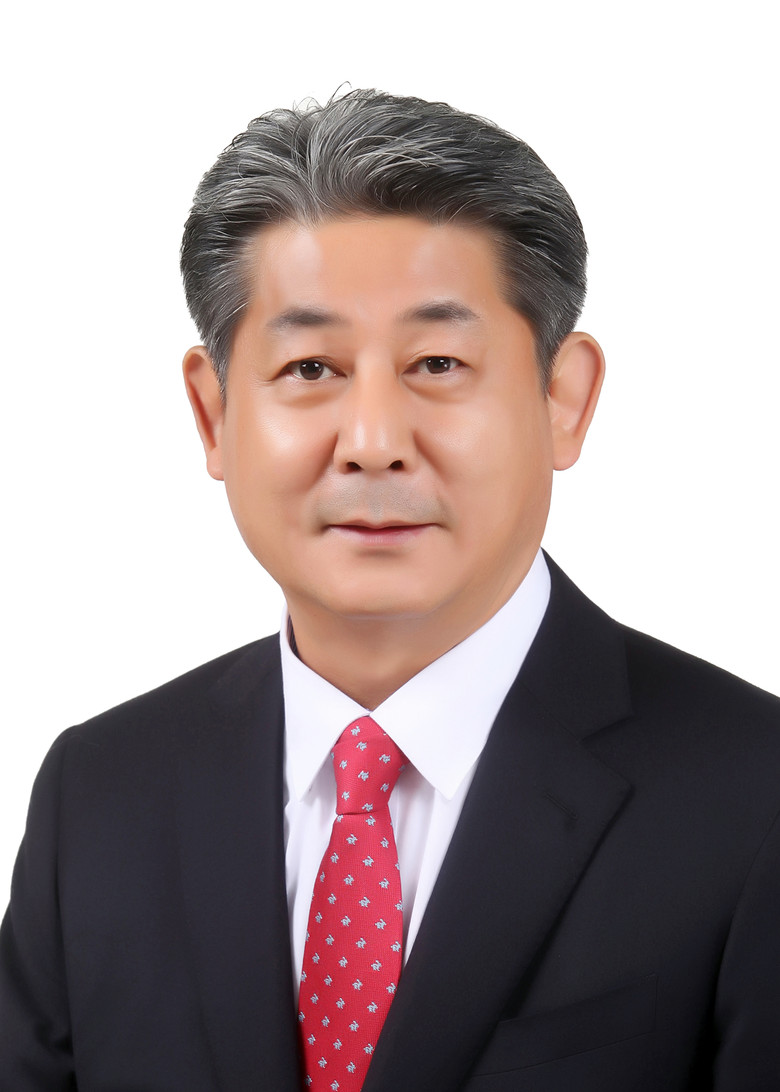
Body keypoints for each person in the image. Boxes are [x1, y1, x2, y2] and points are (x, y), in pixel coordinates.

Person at [1, 89, 778, 1092]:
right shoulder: (101, 795)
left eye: (438, 362)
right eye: (310, 366)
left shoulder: (754, 798)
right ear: (213, 413)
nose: (372, 442)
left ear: (564, 399)